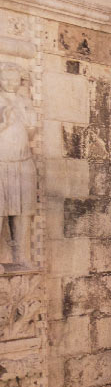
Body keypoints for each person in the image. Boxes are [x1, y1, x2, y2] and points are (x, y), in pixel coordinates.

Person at [0, 64, 35, 266]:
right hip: (2, 162)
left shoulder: (24, 100)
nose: (10, 83)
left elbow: (31, 132)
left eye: (14, 79)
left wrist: (27, 115)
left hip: (23, 162)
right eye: (6, 79)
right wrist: (4, 121)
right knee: (1, 210)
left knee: (23, 211)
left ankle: (22, 255)